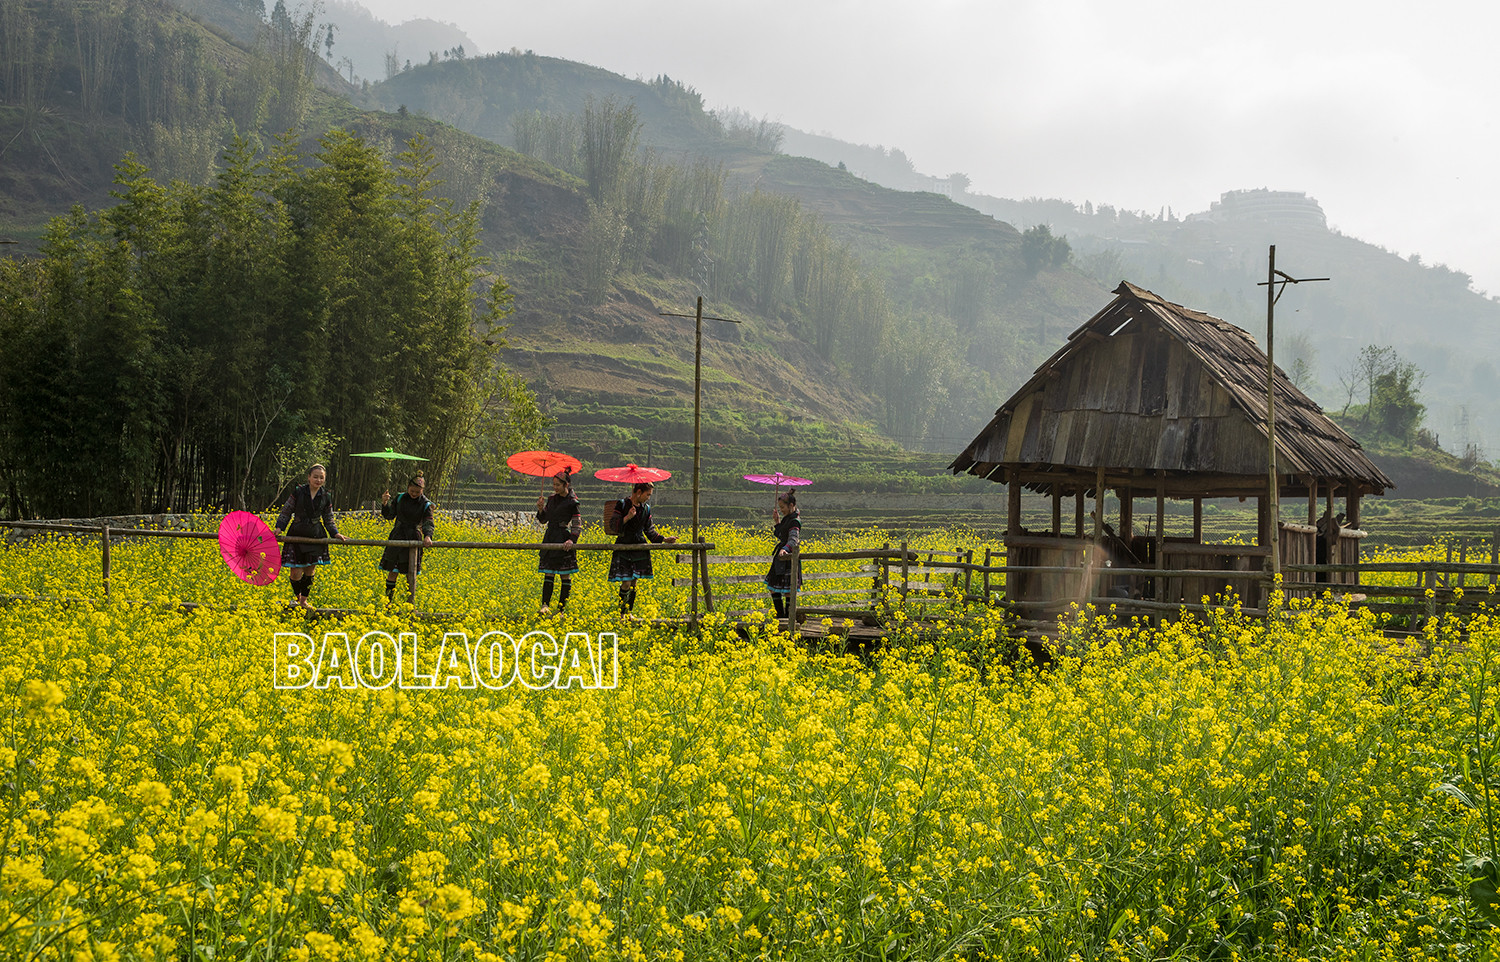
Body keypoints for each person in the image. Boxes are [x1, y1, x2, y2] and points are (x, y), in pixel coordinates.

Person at [275, 463, 347, 609]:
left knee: (309, 570)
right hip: (296, 532)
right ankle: (297, 597)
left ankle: (303, 602)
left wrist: (335, 533)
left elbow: (328, 518)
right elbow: (287, 510)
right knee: (295, 572)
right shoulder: (298, 492)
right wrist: (279, 528)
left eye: (321, 478)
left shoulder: (326, 496)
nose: (318, 480)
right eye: (315, 477)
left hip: (316, 535)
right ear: (308, 477)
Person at [608, 481, 676, 616]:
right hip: (624, 545)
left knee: (633, 583)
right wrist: (627, 517)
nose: (648, 498)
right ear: (638, 492)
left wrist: (664, 539)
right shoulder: (622, 504)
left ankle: (629, 613)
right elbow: (613, 526)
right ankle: (622, 614)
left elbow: (649, 531)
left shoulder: (646, 509)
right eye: (647, 494)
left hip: (639, 547)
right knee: (626, 583)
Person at [379, 473, 435, 602]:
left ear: (422, 491)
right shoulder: (400, 498)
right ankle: (388, 602)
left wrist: (427, 536)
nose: (414, 494)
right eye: (412, 491)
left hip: (413, 538)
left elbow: (428, 522)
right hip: (397, 535)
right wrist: (384, 502)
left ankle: (409, 603)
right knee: (393, 571)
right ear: (408, 487)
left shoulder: (425, 504)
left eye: (417, 492)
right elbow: (389, 515)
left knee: (411, 572)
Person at [535, 468, 581, 615]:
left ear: (565, 485)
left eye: (557, 485)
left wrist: (571, 540)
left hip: (563, 537)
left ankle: (561, 610)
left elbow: (577, 524)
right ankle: (545, 605)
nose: (555, 487)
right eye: (553, 484)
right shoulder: (551, 499)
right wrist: (541, 509)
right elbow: (543, 520)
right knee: (548, 573)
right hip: (550, 536)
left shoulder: (572, 502)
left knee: (564, 574)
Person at [764, 491, 803, 619]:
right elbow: (782, 535)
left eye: (783, 507)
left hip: (788, 558)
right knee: (773, 588)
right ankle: (781, 615)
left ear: (791, 505)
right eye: (780, 508)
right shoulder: (788, 519)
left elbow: (793, 539)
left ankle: (787, 617)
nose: (781, 510)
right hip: (781, 558)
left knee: (788, 592)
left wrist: (786, 549)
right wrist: (777, 521)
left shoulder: (795, 521)